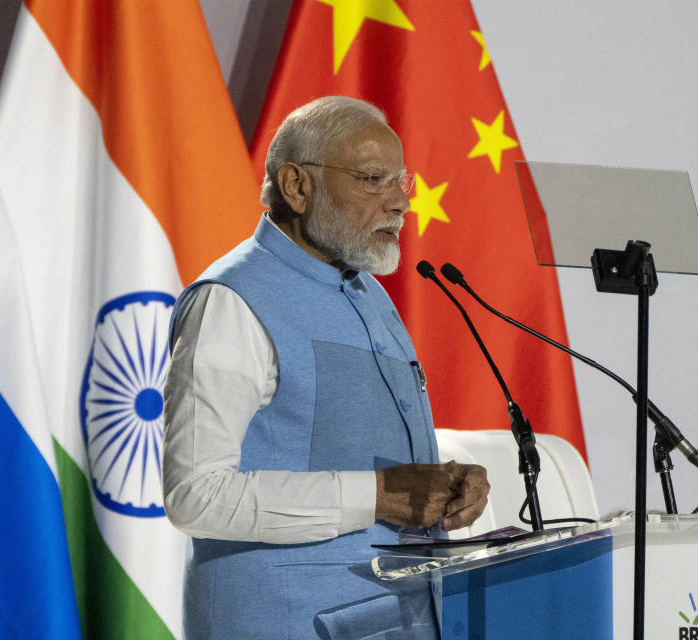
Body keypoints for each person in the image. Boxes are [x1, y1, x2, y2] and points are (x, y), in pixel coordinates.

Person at [163, 96, 490, 639]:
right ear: (296, 186)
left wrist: (446, 487)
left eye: (401, 183)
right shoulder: (232, 301)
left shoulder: (369, 293)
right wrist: (379, 494)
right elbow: (195, 496)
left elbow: (355, 452)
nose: (399, 204)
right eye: (371, 179)